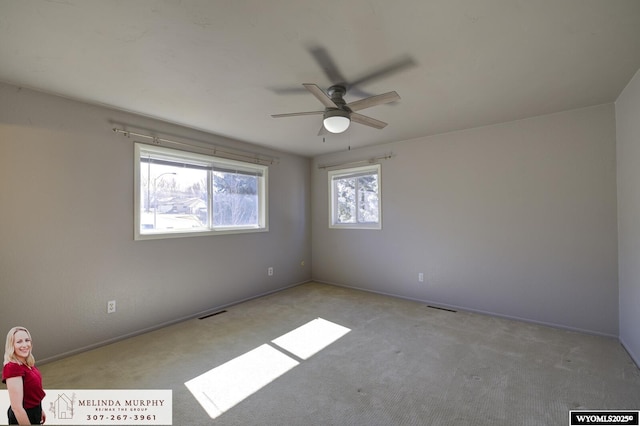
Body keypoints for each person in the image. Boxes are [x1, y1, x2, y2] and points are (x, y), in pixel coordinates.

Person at [2, 327, 46, 425]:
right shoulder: (12, 367)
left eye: (27, 340)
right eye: (19, 342)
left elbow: (32, 393)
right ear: (11, 345)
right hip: (23, 416)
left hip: (34, 411)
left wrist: (39, 410)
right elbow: (17, 408)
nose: (25, 345)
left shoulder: (26, 362)